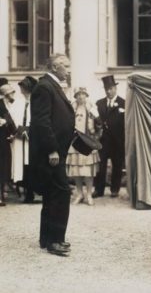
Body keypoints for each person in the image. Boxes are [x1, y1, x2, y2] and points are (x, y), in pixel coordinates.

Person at [29, 53, 75, 256]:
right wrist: (52, 149)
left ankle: (47, 237)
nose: (69, 70)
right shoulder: (45, 87)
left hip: (57, 150)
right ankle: (55, 240)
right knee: (60, 192)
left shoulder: (50, 85)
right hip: (53, 152)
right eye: (66, 66)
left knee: (51, 193)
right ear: (56, 67)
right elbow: (41, 122)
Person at [66, 87, 101, 206]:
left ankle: (89, 194)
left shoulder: (91, 107)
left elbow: (99, 123)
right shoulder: (72, 107)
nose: (81, 97)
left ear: (86, 95)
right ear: (75, 96)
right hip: (75, 141)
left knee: (88, 171)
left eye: (83, 94)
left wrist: (95, 133)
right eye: (78, 94)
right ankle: (79, 193)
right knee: (76, 170)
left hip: (87, 140)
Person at [93, 75, 125, 198]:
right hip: (103, 141)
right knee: (101, 166)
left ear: (115, 88)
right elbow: (95, 122)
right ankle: (98, 190)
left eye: (111, 88)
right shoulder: (99, 103)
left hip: (117, 140)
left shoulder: (123, 103)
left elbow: (126, 124)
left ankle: (114, 189)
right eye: (106, 89)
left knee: (117, 165)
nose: (109, 91)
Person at [11, 76, 37, 203]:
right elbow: (13, 117)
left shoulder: (36, 102)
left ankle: (32, 192)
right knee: (23, 165)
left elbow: (37, 119)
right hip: (21, 137)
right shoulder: (18, 102)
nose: (20, 89)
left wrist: (30, 131)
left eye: (22, 87)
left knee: (32, 164)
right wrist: (20, 130)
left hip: (33, 137)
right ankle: (27, 192)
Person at [0, 81, 15, 207]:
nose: (12, 96)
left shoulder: (8, 105)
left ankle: (2, 193)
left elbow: (10, 121)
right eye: (10, 93)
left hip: (5, 138)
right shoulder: (1, 104)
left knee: (4, 166)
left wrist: (12, 132)